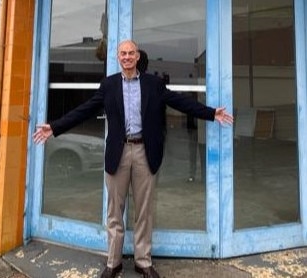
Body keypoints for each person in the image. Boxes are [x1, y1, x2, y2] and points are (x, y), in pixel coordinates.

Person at [33, 40, 233, 278]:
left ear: (137, 56)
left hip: (144, 152)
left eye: (131, 53)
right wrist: (54, 127)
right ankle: (113, 262)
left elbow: (179, 101)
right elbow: (85, 109)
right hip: (118, 153)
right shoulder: (109, 85)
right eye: (123, 53)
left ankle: (143, 261)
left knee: (144, 211)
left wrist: (211, 113)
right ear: (118, 58)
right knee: (114, 212)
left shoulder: (153, 84)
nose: (127, 57)